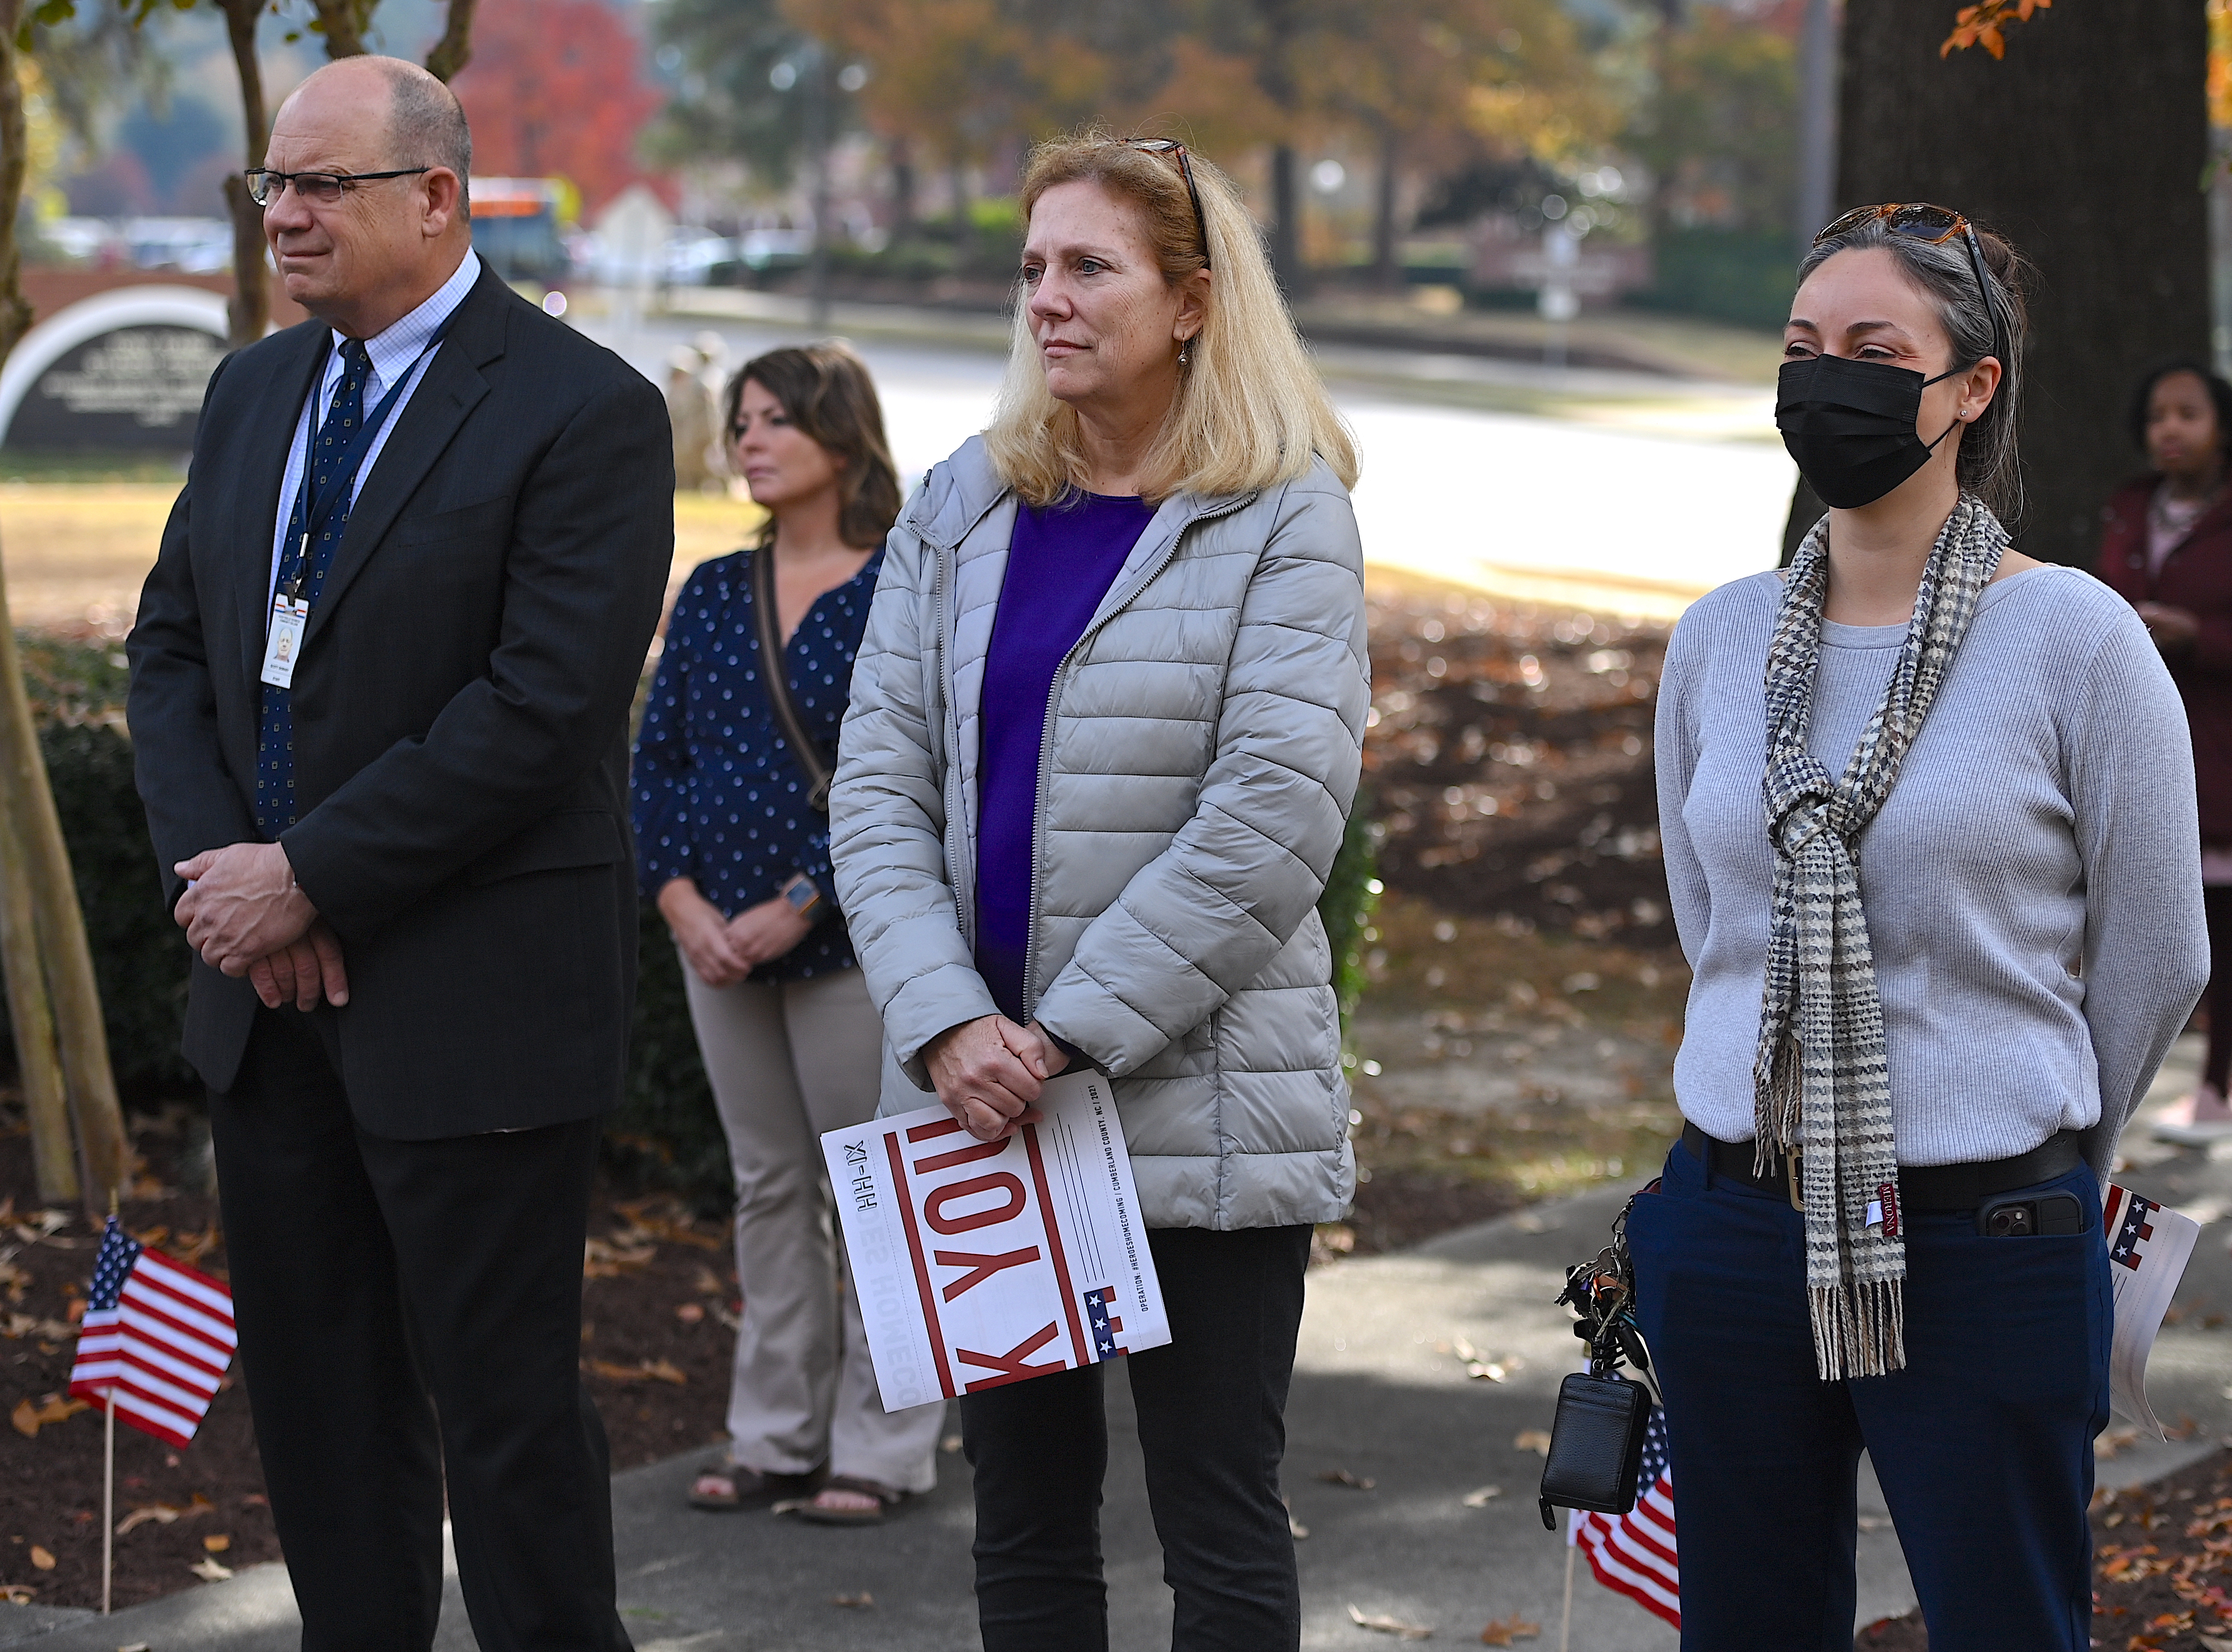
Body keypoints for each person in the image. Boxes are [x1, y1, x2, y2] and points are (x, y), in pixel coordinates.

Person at [125, 56, 671, 1649]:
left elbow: (543, 705)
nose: (284, 215)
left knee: (507, 1432)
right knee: (321, 1419)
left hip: (471, 1009)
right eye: (271, 184)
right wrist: (235, 884)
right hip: (267, 1007)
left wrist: (311, 876)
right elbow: (171, 653)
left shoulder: (584, 411)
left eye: (322, 185)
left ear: (437, 197)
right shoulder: (252, 393)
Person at [829, 132, 1365, 1650]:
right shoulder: (964, 500)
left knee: (1218, 1525)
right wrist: (949, 1027)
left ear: (1191, 302)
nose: (1046, 299)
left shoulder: (1285, 512)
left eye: (1088, 267)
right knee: (1023, 1527)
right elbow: (877, 790)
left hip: (1199, 1103)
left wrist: (1057, 1038)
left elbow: (1274, 817)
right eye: (1032, 269)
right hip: (977, 1106)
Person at [1644, 204, 2205, 1650]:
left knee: (2005, 1625)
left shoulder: (2077, 640)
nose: (1825, 380)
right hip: (1730, 1224)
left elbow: (2157, 951)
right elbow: (1717, 924)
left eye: (1873, 352)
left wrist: (2033, 1134)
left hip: (1982, 1238)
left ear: (1971, 387)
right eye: (1801, 348)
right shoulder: (1715, 640)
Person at [633, 342, 943, 1526]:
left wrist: (804, 900)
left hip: (851, 941)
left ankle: (884, 1446)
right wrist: (681, 904)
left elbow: (922, 775)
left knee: (876, 1189)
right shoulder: (716, 589)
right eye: (742, 422)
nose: (749, 441)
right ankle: (773, 1436)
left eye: (777, 420)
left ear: (843, 437)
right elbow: (658, 760)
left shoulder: (905, 586)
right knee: (767, 1186)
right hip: (713, 941)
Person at [2096, 360, 2232, 1141]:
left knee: (2219, 922)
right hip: (2144, 743)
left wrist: (2196, 635)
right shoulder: (2127, 507)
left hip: (2220, 748)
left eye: (2188, 414)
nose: (2170, 430)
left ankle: (2217, 1088)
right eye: (2157, 417)